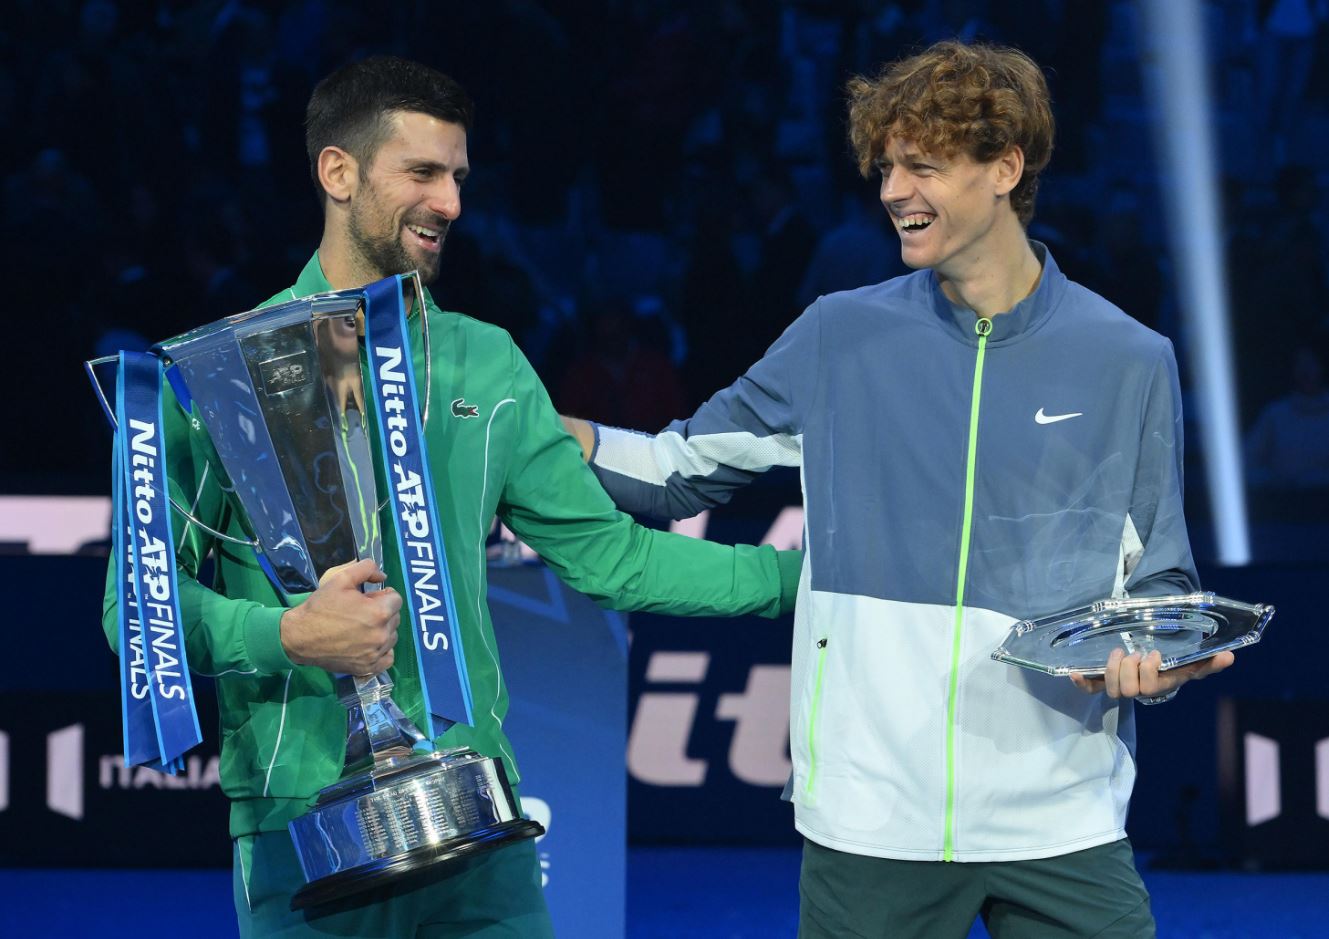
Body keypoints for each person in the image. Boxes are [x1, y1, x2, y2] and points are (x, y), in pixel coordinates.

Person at [100, 56, 800, 938]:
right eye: (422, 173)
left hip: (478, 818)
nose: (452, 204)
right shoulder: (210, 378)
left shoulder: (487, 361)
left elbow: (616, 558)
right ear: (338, 172)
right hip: (299, 829)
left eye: (459, 178)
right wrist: (286, 634)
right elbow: (135, 611)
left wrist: (803, 579)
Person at [563, 40, 1234, 938]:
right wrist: (522, 420)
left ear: (1005, 168)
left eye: (923, 164)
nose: (890, 190)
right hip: (870, 819)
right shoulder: (837, 334)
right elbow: (674, 471)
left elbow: (1156, 580)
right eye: (885, 166)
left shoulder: (1128, 358)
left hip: (1059, 818)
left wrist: (1152, 667)